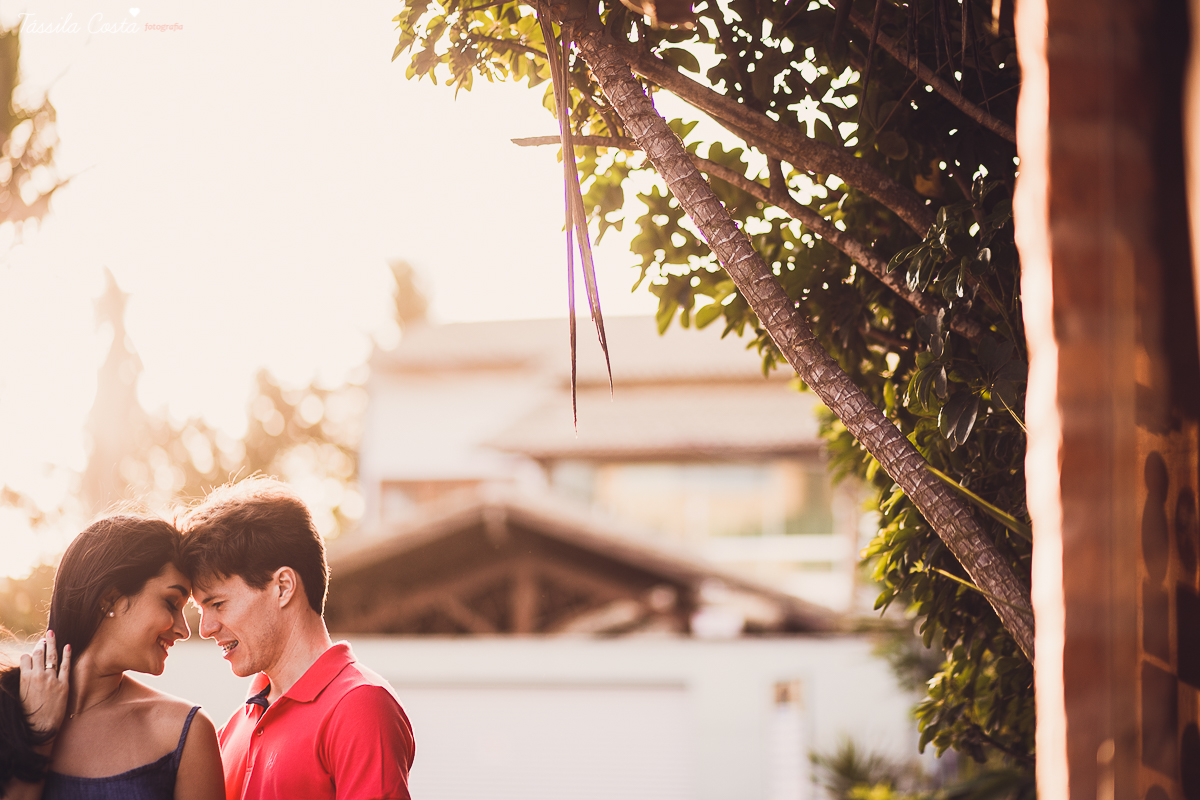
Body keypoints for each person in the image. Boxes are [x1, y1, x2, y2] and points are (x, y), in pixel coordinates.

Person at [178, 478, 414, 800]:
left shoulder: (360, 707)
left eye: (217, 604)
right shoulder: (234, 728)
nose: (205, 628)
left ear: (284, 587)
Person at [0, 515, 224, 800]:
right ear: (110, 597)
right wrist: (39, 737)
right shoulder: (7, 708)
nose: (184, 630)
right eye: (171, 603)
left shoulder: (184, 734)